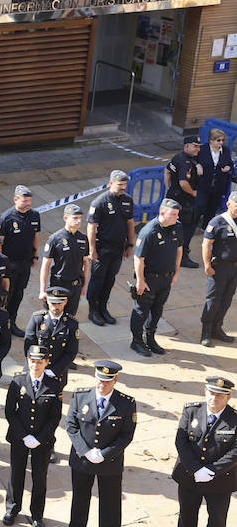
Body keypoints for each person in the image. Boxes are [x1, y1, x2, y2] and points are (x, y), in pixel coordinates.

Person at [61, 361, 136, 527]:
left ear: (116, 380)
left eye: (107, 381)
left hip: (109, 462)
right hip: (82, 458)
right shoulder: (80, 396)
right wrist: (85, 451)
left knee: (109, 501)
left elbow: (126, 435)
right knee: (80, 496)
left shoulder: (126, 403)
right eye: (100, 380)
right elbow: (71, 425)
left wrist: (104, 454)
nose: (102, 384)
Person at [171, 375, 237, 527]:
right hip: (190, 475)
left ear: (228, 397)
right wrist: (195, 469)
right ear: (205, 392)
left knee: (217, 516)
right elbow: (181, 442)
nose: (214, 399)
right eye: (211, 393)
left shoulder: (234, 419)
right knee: (187, 511)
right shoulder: (191, 411)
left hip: (220, 479)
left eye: (220, 395)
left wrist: (211, 470)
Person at [4, 346, 63, 527]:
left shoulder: (54, 385)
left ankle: (37, 514)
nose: (35, 365)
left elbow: (55, 417)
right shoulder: (17, 381)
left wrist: (39, 438)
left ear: (46, 362)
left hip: (42, 440)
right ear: (27, 360)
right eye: (32, 361)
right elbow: (10, 412)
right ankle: (12, 509)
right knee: (16, 474)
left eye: (39, 362)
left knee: (39, 477)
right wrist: (24, 435)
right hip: (19, 437)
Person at [130, 198, 183, 358]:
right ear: (162, 213)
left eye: (177, 214)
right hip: (149, 279)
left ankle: (150, 337)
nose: (177, 217)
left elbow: (179, 250)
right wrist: (140, 280)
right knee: (141, 310)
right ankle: (137, 341)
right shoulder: (149, 232)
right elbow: (139, 258)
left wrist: (176, 272)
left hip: (166, 278)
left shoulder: (177, 227)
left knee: (157, 309)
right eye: (173, 214)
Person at [86, 170, 136, 326]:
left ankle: (103, 307)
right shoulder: (99, 202)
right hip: (102, 248)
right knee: (97, 280)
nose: (123, 187)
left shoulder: (128, 200)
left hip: (118, 248)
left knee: (110, 279)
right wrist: (92, 250)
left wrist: (130, 244)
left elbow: (130, 223)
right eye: (120, 184)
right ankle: (93, 310)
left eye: (125, 184)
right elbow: (91, 228)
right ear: (110, 183)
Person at [0, 185, 42, 336]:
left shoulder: (34, 215)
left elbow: (36, 236)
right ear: (15, 200)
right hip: (9, 264)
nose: (28, 204)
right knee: (5, 294)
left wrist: (35, 255)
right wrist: (0, 264)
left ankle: (11, 322)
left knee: (18, 294)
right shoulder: (6, 218)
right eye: (24, 201)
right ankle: (0, 325)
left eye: (29, 201)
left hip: (25, 262)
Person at [39, 204, 90, 318]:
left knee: (70, 317)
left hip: (75, 285)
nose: (78, 221)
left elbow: (86, 262)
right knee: (54, 316)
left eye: (80, 218)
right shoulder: (55, 239)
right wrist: (42, 290)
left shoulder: (83, 238)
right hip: (59, 284)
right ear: (65, 218)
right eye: (75, 218)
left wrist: (85, 285)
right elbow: (45, 265)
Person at [200, 190, 237, 346]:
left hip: (234, 268)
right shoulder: (217, 222)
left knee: (226, 300)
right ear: (229, 204)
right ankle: (206, 331)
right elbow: (206, 244)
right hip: (220, 267)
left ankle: (217, 328)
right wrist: (207, 265)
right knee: (213, 300)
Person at [165, 133, 205, 267]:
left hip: (173, 199)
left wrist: (170, 187)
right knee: (186, 230)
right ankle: (182, 257)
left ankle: (168, 255)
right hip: (184, 202)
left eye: (199, 147)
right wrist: (193, 193)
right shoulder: (185, 162)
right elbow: (183, 183)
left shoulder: (178, 158)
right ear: (186, 146)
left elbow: (167, 170)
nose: (198, 149)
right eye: (195, 146)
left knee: (170, 228)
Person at [23, 287, 79, 376]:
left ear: (65, 302)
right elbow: (28, 345)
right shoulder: (37, 319)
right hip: (35, 369)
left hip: (57, 371)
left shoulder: (71, 324)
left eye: (59, 303)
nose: (56, 307)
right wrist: (36, 366)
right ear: (47, 301)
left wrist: (54, 371)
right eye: (53, 303)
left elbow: (71, 352)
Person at [195, 127, 234, 230]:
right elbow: (193, 159)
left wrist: (228, 168)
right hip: (203, 184)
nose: (221, 142)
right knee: (199, 206)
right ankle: (193, 225)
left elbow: (230, 163)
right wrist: (197, 165)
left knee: (212, 209)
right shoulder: (203, 149)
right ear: (211, 140)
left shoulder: (225, 150)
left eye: (222, 140)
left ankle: (206, 228)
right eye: (218, 140)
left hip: (218, 185)